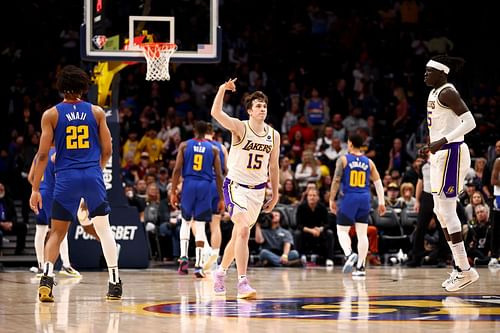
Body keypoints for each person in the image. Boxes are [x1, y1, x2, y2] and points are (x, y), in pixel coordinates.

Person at [29, 65, 121, 302]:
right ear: (83, 87)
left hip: (66, 178)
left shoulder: (51, 114)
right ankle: (114, 283)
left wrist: (35, 188)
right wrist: (96, 170)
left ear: (60, 88)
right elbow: (108, 149)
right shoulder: (97, 112)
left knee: (57, 232)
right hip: (91, 175)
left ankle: (47, 278)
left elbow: (41, 155)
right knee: (104, 229)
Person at [211, 79, 280, 299]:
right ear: (250, 110)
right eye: (258, 106)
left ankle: (220, 272)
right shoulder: (240, 127)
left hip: (258, 192)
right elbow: (216, 112)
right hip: (236, 187)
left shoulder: (273, 135)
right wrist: (222, 89)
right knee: (242, 230)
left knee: (238, 237)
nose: (262, 109)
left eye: (265, 106)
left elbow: (274, 165)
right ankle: (242, 282)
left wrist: (275, 193)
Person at [424, 55, 479, 291]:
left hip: (452, 153)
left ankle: (465, 269)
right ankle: (459, 267)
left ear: (442, 74)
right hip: (441, 154)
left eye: (429, 71)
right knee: (439, 210)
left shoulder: (447, 92)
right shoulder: (435, 92)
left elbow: (470, 122)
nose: (425, 75)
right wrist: (431, 146)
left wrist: (441, 142)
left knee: (446, 210)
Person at [170, 120, 224, 278]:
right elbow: (219, 175)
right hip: (206, 186)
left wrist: (173, 191)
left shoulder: (185, 146)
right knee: (200, 225)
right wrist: (221, 198)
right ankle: (199, 265)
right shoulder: (213, 149)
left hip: (189, 184)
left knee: (186, 222)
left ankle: (183, 259)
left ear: (193, 130)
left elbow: (177, 169)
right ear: (208, 130)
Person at [329, 133, 386, 278]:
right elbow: (378, 182)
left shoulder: (343, 160)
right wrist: (381, 202)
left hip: (349, 198)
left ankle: (349, 255)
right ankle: (361, 267)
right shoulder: (369, 162)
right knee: (362, 234)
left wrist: (331, 199)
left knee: (342, 231)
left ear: (350, 144)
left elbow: (336, 180)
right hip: (365, 198)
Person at [27, 148, 81, 277]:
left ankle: (40, 266)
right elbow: (61, 177)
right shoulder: (58, 152)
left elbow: (30, 177)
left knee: (40, 230)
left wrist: (39, 188)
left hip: (39, 193)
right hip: (52, 194)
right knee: (59, 230)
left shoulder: (39, 153)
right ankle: (66, 265)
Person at [203, 123, 228, 271]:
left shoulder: (193, 145)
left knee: (193, 221)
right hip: (216, 185)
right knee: (215, 224)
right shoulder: (221, 147)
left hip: (200, 184)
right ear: (212, 133)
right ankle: (214, 257)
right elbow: (227, 170)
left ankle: (206, 250)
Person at [0, 183, 27, 256]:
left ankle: (19, 251)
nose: (1, 190)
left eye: (2, 189)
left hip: (8, 224)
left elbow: (14, 216)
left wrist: (11, 223)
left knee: (22, 226)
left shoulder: (8, 201)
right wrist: (1, 224)